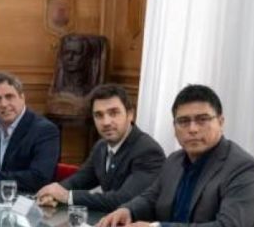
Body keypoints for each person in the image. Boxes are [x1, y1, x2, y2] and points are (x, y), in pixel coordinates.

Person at [97, 84, 254, 227]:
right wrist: (128, 210)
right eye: (183, 121)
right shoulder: (175, 160)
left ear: (221, 122)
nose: (193, 129)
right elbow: (151, 197)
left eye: (202, 119)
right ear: (174, 127)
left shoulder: (244, 169)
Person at [36, 84, 165, 211]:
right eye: (99, 115)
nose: (106, 122)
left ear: (130, 114)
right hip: (107, 224)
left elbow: (123, 199)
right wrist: (53, 192)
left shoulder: (148, 151)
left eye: (113, 113)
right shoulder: (101, 146)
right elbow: (79, 180)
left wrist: (68, 196)